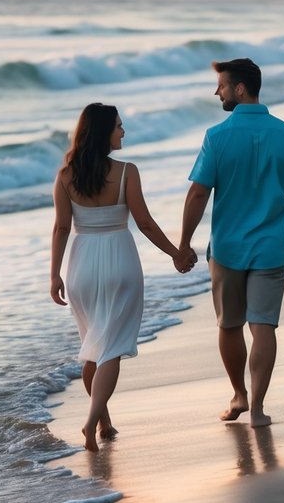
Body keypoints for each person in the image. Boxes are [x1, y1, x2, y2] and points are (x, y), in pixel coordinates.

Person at [50, 103, 195, 452]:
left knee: (94, 348)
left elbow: (61, 227)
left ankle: (104, 422)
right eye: (118, 126)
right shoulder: (127, 172)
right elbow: (144, 223)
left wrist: (54, 274)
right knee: (111, 348)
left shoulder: (66, 175)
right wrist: (176, 252)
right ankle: (90, 424)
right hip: (120, 262)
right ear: (103, 133)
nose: (123, 132)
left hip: (81, 265)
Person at [178, 58, 284, 428]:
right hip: (271, 248)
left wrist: (183, 244)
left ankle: (239, 393)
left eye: (221, 85)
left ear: (240, 89)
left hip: (227, 249)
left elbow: (197, 195)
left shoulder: (217, 137)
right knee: (264, 326)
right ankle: (257, 409)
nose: (216, 91)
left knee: (229, 325)